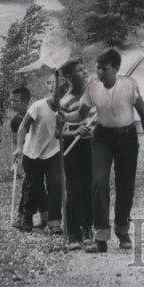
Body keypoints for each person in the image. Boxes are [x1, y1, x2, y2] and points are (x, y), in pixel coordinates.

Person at [79, 48, 144, 253]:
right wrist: (64, 118)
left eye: (104, 69)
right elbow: (80, 114)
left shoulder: (129, 85)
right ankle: (101, 237)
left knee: (126, 186)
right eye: (98, 67)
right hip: (102, 137)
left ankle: (122, 230)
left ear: (116, 68)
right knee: (99, 183)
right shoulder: (92, 87)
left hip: (128, 138)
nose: (100, 72)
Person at [13, 79, 62, 237]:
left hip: (53, 152)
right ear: (50, 92)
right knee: (32, 186)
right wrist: (19, 147)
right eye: (55, 95)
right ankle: (26, 216)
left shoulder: (66, 110)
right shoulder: (38, 106)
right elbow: (22, 128)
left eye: (62, 95)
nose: (58, 99)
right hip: (32, 152)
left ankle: (54, 223)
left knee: (55, 184)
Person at [59, 58, 95, 249]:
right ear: (68, 77)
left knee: (91, 187)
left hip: (93, 146)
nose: (84, 72)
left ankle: (88, 228)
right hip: (72, 147)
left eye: (84, 69)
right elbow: (58, 133)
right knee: (74, 189)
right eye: (79, 71)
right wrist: (75, 132)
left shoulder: (93, 96)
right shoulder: (64, 102)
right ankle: (73, 234)